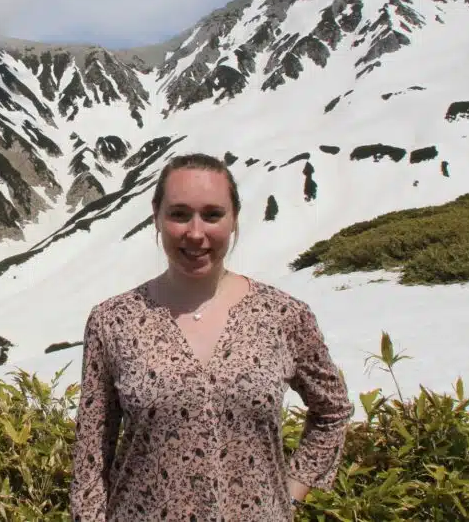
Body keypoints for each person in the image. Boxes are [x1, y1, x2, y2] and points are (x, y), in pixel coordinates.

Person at [70, 153, 353, 521]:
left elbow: (333, 409)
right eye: (179, 214)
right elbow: (91, 454)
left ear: (234, 218)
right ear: (156, 216)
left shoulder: (284, 316)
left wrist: (289, 495)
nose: (196, 232)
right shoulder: (113, 321)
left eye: (212, 214)